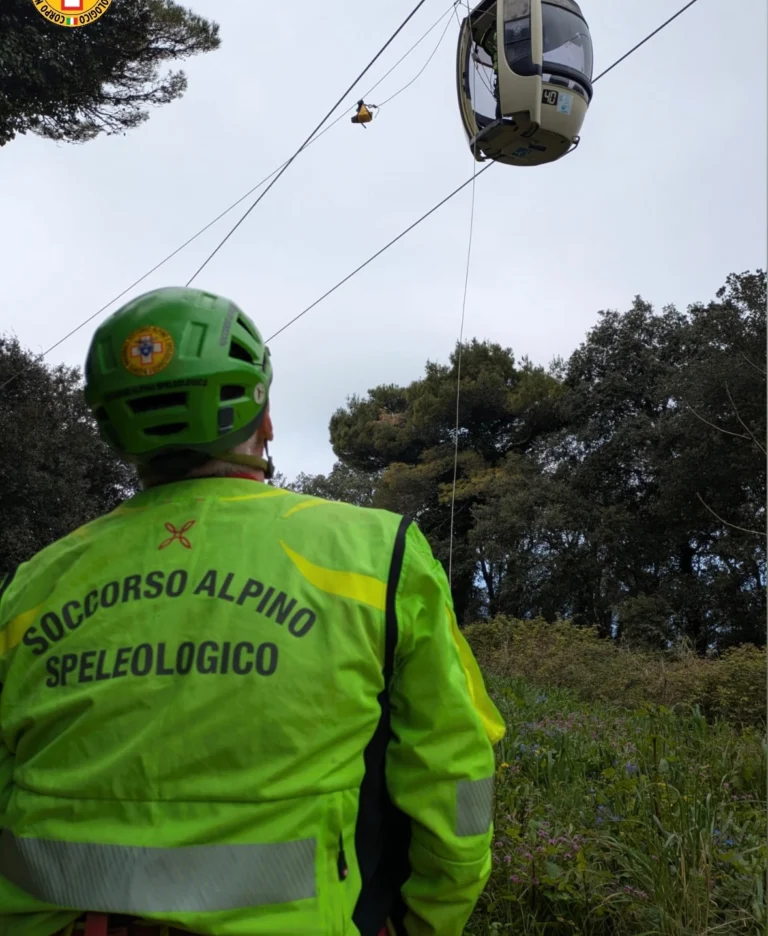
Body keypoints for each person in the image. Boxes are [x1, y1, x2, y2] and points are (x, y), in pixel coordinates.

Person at [0, 286, 506, 936]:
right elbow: (453, 774)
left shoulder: (30, 586)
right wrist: (430, 923)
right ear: (263, 419)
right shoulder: (377, 553)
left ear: (113, 432)